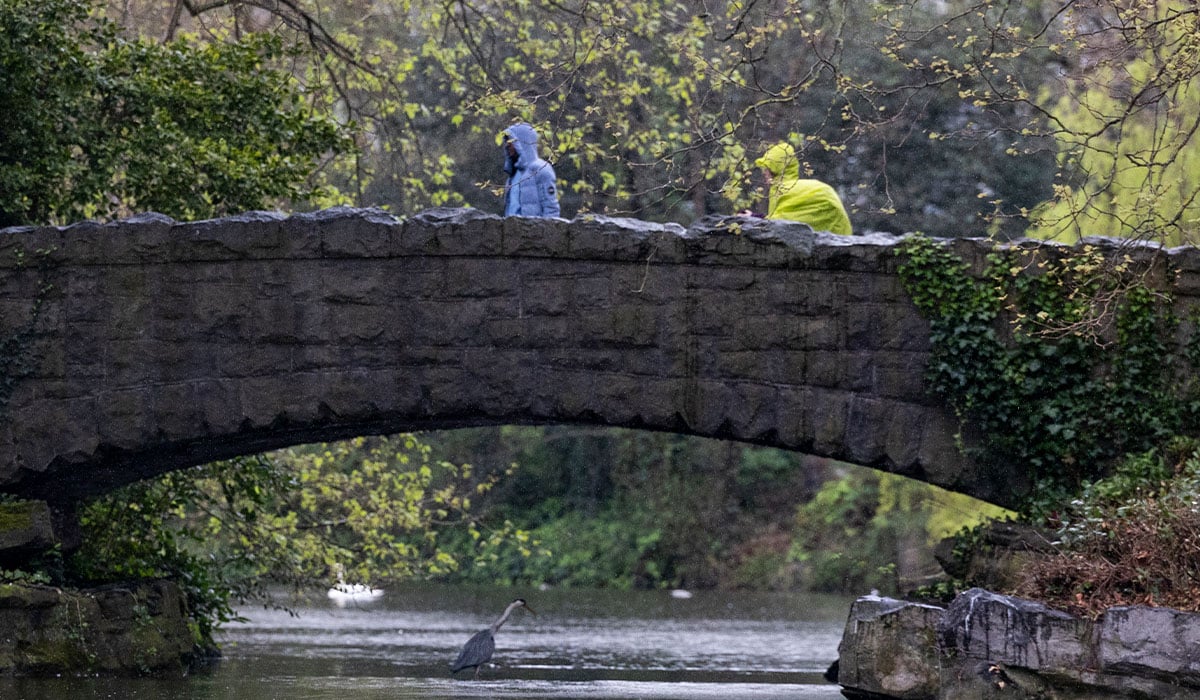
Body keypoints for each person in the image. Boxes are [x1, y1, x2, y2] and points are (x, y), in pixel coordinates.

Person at [752, 141, 852, 235]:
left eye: (767, 168)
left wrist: (753, 219)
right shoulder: (793, 189)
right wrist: (756, 218)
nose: (764, 172)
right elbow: (786, 218)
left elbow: (779, 224)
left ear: (775, 169)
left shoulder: (783, 191)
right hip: (842, 235)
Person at [501, 122, 560, 218]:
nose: (507, 146)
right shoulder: (513, 175)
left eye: (511, 141)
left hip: (535, 231)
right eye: (506, 142)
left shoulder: (541, 169)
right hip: (512, 231)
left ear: (522, 142)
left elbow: (551, 210)